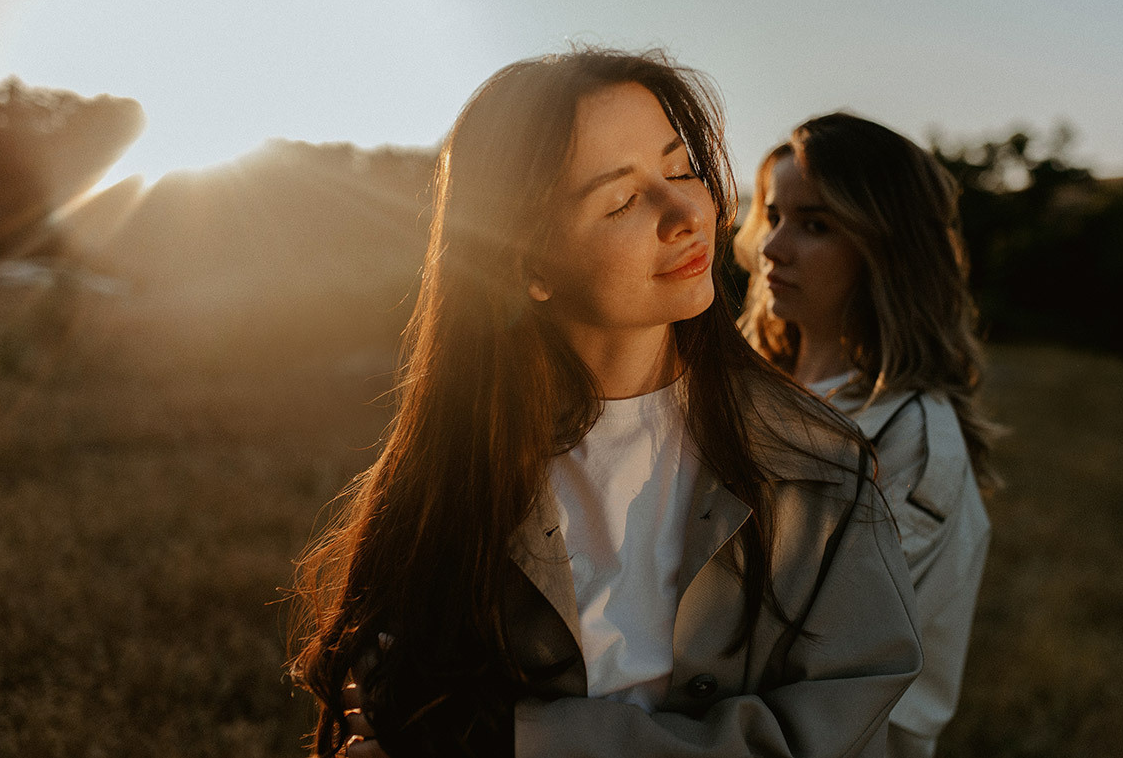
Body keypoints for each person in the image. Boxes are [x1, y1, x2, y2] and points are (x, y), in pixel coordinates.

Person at [288, 50, 921, 758]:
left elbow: (839, 725)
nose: (687, 212)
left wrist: (524, 742)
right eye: (621, 200)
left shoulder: (817, 464)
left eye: (682, 169)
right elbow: (396, 703)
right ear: (526, 262)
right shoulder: (459, 463)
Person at [733, 112, 1000, 758]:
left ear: (887, 251)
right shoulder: (748, 385)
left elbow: (813, 669)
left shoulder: (910, 444)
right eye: (774, 215)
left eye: (816, 225)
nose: (773, 247)